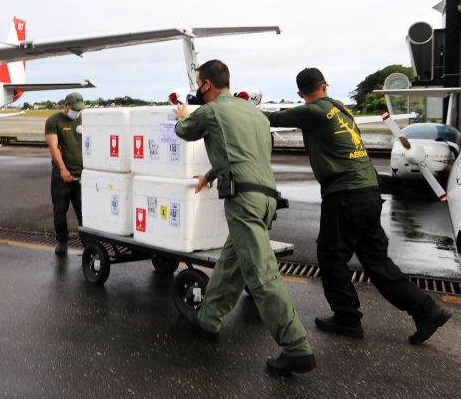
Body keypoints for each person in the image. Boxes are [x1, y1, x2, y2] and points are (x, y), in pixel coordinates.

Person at [266, 68, 452, 344]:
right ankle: (427, 310)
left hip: (344, 194)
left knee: (330, 257)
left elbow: (269, 118)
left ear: (300, 93)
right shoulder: (341, 109)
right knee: (377, 262)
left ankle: (347, 318)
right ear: (325, 84)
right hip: (368, 191)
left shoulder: (312, 110)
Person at [174, 59, 316, 377]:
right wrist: (210, 175)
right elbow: (240, 153)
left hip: (243, 200)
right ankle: (208, 319)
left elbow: (184, 132)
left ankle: (297, 348)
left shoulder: (210, 112)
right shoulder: (254, 114)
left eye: (199, 83)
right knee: (232, 262)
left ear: (207, 84)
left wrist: (183, 114)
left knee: (261, 274)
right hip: (266, 197)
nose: (198, 88)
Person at [45, 92, 85, 256]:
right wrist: (63, 169)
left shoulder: (84, 119)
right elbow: (53, 147)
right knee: (60, 210)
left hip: (83, 175)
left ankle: (88, 243)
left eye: (80, 109)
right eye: (75, 109)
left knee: (85, 211)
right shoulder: (53, 121)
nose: (78, 112)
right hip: (62, 176)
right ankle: (62, 241)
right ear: (66, 106)